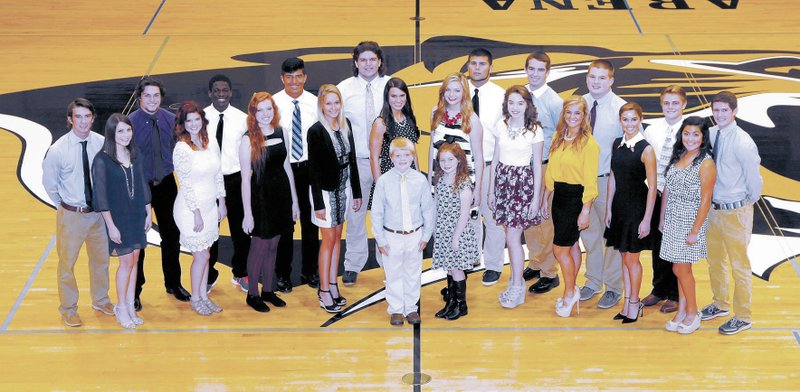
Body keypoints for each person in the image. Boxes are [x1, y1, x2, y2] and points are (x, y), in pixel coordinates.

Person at [42, 98, 115, 327]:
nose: (83, 122)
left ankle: (101, 299)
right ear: (69, 120)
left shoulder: (102, 143)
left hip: (98, 215)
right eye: (78, 117)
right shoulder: (57, 150)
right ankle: (69, 308)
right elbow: (50, 185)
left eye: (87, 117)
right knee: (67, 264)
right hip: (72, 215)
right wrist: (66, 207)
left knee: (101, 261)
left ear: (93, 118)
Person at [701, 91, 763, 335]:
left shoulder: (743, 142)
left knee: (739, 266)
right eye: (716, 110)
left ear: (734, 111)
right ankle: (720, 304)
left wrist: (743, 204)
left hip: (735, 212)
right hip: (714, 210)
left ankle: (743, 316)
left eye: (724, 110)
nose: (719, 115)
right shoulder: (712, 134)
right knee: (715, 261)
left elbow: (754, 181)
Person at [129, 77, 187, 309]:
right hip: (139, 185)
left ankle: (173, 282)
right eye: (147, 96)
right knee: (139, 239)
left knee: (171, 235)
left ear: (161, 97)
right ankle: (135, 290)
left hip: (165, 183)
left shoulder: (171, 120)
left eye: (156, 95)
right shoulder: (130, 123)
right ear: (139, 98)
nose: (152, 100)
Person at [239, 92, 299, 313]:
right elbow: (245, 178)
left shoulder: (282, 132)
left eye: (268, 109)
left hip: (281, 197)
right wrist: (248, 213)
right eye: (260, 110)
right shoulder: (247, 139)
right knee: (259, 247)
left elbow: (287, 167)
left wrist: (294, 201)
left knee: (274, 245)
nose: (265, 114)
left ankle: (268, 290)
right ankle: (252, 294)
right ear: (253, 113)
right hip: (261, 199)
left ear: (274, 110)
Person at [337, 41, 390, 286]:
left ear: (379, 61)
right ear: (356, 62)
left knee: (387, 214)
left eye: (372, 59)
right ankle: (353, 263)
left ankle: (387, 262)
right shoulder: (343, 89)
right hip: (356, 160)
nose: (368, 64)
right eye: (363, 60)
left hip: (386, 160)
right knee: (355, 213)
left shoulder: (391, 86)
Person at [92, 114, 151, 329]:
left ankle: (129, 304)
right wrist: (111, 226)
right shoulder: (102, 159)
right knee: (125, 262)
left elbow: (143, 183)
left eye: (128, 130)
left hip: (136, 214)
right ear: (111, 133)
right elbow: (101, 196)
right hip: (117, 218)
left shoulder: (135, 154)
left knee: (135, 259)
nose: (126, 135)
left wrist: (148, 211)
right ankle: (121, 307)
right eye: (120, 131)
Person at [429, 72, 484, 302]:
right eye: (448, 90)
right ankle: (451, 289)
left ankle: (458, 294)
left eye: (457, 90)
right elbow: (432, 149)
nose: (452, 95)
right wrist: (430, 181)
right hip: (441, 184)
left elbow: (479, 158)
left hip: (463, 186)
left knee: (459, 239)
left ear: (464, 92)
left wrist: (478, 189)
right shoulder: (436, 113)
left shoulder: (472, 120)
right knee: (444, 233)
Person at [487, 86, 544, 309]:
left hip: (522, 185)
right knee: (508, 236)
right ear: (506, 104)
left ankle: (518, 286)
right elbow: (496, 159)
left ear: (528, 105)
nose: (516, 107)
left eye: (520, 103)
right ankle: (514, 281)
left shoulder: (534, 130)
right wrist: (491, 191)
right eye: (512, 102)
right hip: (503, 182)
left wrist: (535, 199)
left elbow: (537, 166)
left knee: (512, 238)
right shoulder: (501, 125)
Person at [308, 84, 363, 313]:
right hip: (325, 194)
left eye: (336, 102)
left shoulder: (345, 125)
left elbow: (351, 161)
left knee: (338, 238)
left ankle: (333, 284)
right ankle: (323, 290)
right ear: (321, 104)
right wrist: (319, 205)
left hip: (344, 190)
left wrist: (357, 192)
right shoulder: (316, 131)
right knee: (328, 241)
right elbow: (313, 170)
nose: (333, 107)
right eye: (328, 103)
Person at [544, 96, 600, 318]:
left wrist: (585, 210)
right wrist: (543, 198)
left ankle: (569, 293)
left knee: (560, 248)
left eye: (577, 113)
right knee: (572, 246)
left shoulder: (589, 144)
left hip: (575, 200)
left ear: (584, 116)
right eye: (569, 112)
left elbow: (590, 182)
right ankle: (572, 288)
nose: (572, 117)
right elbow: (551, 172)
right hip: (559, 197)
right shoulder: (558, 137)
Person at [659, 116, 716, 334]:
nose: (690, 138)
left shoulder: (706, 162)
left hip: (690, 220)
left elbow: (705, 199)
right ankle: (682, 309)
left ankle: (693, 313)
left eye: (695, 134)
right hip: (673, 219)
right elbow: (668, 189)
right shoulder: (679, 156)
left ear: (703, 137)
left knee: (681, 269)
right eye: (686, 133)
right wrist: (663, 217)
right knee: (678, 268)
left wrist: (695, 230)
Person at [171, 101, 227, 316]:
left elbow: (217, 173)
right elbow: (184, 184)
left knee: (207, 252)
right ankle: (196, 298)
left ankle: (204, 295)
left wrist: (221, 202)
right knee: (201, 256)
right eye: (189, 120)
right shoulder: (182, 148)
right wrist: (196, 214)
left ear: (202, 120)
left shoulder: (209, 141)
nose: (194, 124)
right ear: (183, 124)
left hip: (210, 206)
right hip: (190, 209)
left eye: (197, 119)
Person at [603, 102, 657, 323]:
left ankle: (635, 304)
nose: (630, 124)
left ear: (640, 120)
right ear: (620, 121)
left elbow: (652, 187)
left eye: (634, 119)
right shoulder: (617, 144)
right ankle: (627, 302)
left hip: (637, 208)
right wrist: (608, 208)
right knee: (624, 257)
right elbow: (613, 177)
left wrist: (646, 219)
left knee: (632, 259)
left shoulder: (647, 149)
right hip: (620, 208)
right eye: (625, 119)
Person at [371, 138, 434, 326]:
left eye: (406, 155)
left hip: (415, 235)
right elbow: (377, 212)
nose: (402, 159)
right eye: (398, 155)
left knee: (413, 273)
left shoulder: (420, 180)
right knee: (393, 273)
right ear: (391, 157)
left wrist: (426, 235)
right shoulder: (383, 181)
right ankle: (396, 309)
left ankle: (411, 308)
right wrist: (381, 240)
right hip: (391, 236)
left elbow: (428, 209)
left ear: (413, 156)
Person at [580, 60, 626, 309]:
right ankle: (593, 280)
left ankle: (613, 286)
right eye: (592, 77)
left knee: (611, 237)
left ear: (611, 80)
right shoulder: (579, 104)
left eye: (601, 78)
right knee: (589, 235)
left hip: (608, 181)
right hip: (583, 182)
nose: (596, 82)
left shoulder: (620, 109)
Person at [273, 57, 320, 292]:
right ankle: (283, 273)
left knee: (311, 224)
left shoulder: (315, 103)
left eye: (298, 76)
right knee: (286, 225)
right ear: (282, 78)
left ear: (305, 77)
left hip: (310, 169)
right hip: (284, 170)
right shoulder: (272, 104)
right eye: (289, 77)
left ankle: (310, 269)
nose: (294, 81)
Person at [641, 85, 686, 313]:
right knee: (658, 245)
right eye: (666, 103)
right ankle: (659, 289)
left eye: (675, 103)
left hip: (679, 196)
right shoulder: (652, 129)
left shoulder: (690, 129)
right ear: (661, 104)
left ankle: (676, 294)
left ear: (684, 104)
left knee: (675, 247)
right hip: (655, 193)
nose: (670, 107)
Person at [522, 51, 564, 295]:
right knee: (529, 219)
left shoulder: (554, 102)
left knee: (545, 219)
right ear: (526, 69)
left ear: (548, 73)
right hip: (523, 166)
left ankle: (550, 272)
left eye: (541, 70)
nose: (535, 74)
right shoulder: (520, 96)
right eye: (532, 69)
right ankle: (535, 261)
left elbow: (560, 139)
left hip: (545, 165)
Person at [205, 74, 250, 294]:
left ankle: (241, 273)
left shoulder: (242, 119)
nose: (221, 94)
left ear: (231, 92)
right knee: (210, 230)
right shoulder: (201, 118)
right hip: (210, 179)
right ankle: (209, 274)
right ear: (210, 93)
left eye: (225, 90)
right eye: (217, 90)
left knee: (241, 230)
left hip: (235, 179)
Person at [466, 48, 507, 286]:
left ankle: (493, 265)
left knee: (492, 216)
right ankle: (471, 256)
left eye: (482, 64)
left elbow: (504, 135)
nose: (478, 68)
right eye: (473, 64)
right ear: (468, 66)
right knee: (468, 214)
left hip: (491, 164)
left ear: (490, 67)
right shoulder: (457, 93)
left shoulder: (501, 96)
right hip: (464, 165)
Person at [432, 143, 480, 321]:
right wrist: (436, 229)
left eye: (450, 159)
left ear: (459, 160)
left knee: (457, 269)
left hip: (457, 232)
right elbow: (436, 205)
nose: (446, 163)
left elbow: (464, 214)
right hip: (444, 229)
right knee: (450, 269)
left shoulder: (463, 183)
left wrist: (456, 237)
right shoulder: (440, 180)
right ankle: (451, 303)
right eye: (442, 160)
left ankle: (461, 305)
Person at [368, 77, 421, 205]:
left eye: (402, 95)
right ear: (387, 97)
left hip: (409, 178)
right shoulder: (381, 123)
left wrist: (418, 177)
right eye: (394, 96)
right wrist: (381, 188)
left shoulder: (409, 119)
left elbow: (413, 151)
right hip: (389, 179)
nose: (398, 100)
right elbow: (374, 158)